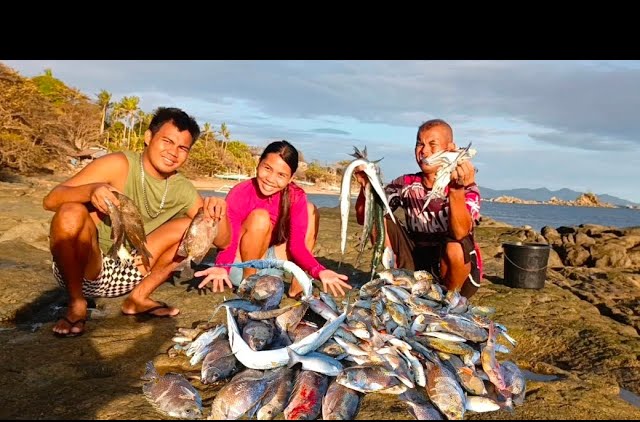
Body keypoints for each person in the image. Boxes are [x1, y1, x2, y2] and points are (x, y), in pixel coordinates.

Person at [43, 107, 230, 337]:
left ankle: (138, 299)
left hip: (130, 273)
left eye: (182, 148)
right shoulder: (119, 164)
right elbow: (51, 200)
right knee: (69, 211)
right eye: (167, 141)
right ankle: (77, 303)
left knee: (188, 227)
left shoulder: (182, 188)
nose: (173, 152)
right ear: (148, 137)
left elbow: (222, 241)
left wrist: (217, 213)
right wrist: (91, 190)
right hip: (83, 269)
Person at [194, 140, 352, 298]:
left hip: (272, 263)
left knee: (311, 210)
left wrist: (319, 271)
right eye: (267, 168)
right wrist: (222, 267)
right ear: (258, 164)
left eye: (281, 175)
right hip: (240, 265)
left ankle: (297, 287)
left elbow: (297, 246)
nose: (270, 178)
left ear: (290, 178)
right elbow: (230, 240)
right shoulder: (241, 192)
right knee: (260, 217)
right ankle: (249, 284)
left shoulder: (295, 196)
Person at [355, 118, 482, 298]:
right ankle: (397, 282)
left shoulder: (467, 187)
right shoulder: (405, 183)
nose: (424, 151)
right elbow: (364, 219)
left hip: (458, 273)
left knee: (456, 245)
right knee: (379, 220)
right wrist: (366, 187)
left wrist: (456, 189)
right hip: (416, 262)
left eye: (432, 144)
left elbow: (461, 233)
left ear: (450, 148)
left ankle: (450, 300)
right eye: (419, 144)